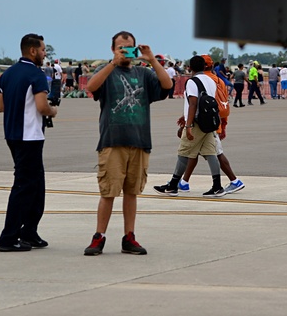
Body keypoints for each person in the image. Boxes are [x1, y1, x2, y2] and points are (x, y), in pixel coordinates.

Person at [82, 32, 173, 256]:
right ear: (112, 49)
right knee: (108, 192)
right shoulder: (106, 71)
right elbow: (91, 87)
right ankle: (99, 236)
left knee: (131, 192)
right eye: (121, 47)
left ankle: (129, 236)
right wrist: (112, 63)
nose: (126, 52)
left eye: (129, 48)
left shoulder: (143, 74)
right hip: (112, 141)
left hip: (139, 140)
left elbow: (167, 85)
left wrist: (152, 60)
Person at [0, 33, 57, 252]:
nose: (44, 54)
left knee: (37, 184)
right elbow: (42, 106)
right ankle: (9, 237)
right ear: (32, 51)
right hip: (29, 136)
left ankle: (30, 231)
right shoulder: (36, 75)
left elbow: (0, 106)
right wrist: (53, 110)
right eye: (42, 50)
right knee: (24, 186)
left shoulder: (7, 75)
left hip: (12, 135)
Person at [154, 55, 224, 197]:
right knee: (211, 153)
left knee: (183, 152)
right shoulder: (210, 80)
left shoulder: (192, 81)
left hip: (197, 123)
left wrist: (188, 125)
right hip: (209, 123)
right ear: (204, 66)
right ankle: (217, 186)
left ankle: (173, 185)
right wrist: (185, 116)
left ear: (189, 67)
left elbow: (193, 103)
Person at [178, 55, 245, 195]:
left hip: (202, 123)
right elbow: (223, 104)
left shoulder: (198, 80)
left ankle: (233, 181)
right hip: (213, 121)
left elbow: (194, 104)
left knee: (213, 153)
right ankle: (183, 182)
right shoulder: (217, 80)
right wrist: (223, 124)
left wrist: (187, 122)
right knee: (197, 152)